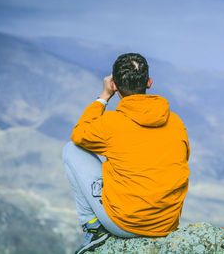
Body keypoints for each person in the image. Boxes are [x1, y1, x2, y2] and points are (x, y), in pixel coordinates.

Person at [62, 53, 190, 254]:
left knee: (71, 149)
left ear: (114, 85)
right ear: (149, 82)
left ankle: (94, 227)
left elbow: (78, 136)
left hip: (124, 224)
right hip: (166, 224)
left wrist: (103, 97)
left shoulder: (110, 124)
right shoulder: (176, 122)